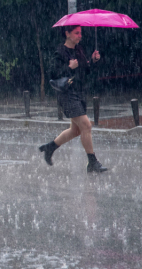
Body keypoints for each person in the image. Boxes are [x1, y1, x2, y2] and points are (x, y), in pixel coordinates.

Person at [38, 25, 108, 173]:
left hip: (79, 93)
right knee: (86, 126)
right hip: (67, 95)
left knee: (76, 130)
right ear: (67, 34)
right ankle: (92, 161)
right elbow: (53, 74)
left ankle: (50, 147)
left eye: (80, 33)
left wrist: (93, 61)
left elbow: (85, 71)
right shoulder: (60, 52)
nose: (79, 36)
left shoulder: (79, 50)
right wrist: (69, 68)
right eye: (76, 33)